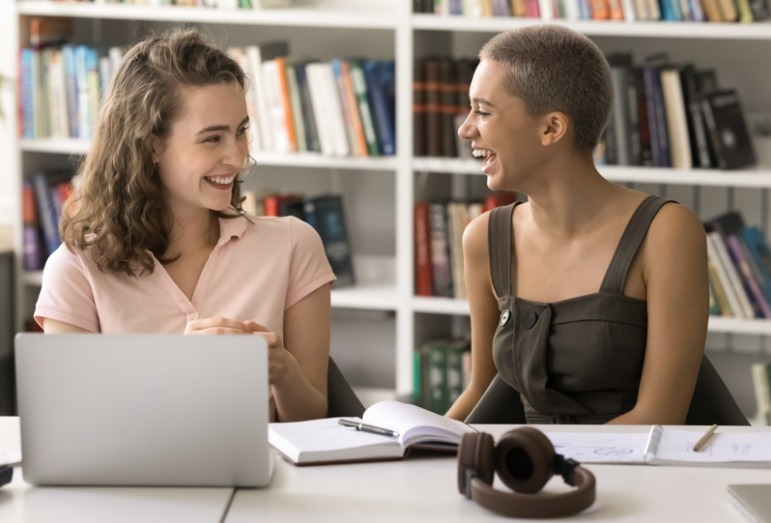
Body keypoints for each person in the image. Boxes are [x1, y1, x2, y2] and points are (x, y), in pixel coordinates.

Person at [33, 28, 336, 423]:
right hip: (134, 486)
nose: (237, 157)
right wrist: (175, 370)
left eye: (241, 131)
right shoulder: (77, 271)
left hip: (272, 483)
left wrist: (283, 371)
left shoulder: (294, 245)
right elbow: (70, 427)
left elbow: (316, 423)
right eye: (212, 139)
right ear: (151, 145)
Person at [445, 25, 709, 424]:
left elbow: (660, 417)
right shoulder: (483, 238)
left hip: (635, 477)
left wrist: (543, 465)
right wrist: (421, 441)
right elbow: (482, 392)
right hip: (529, 473)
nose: (466, 128)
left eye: (483, 110)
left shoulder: (667, 232)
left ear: (552, 127)